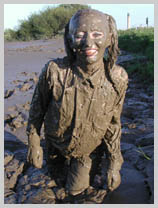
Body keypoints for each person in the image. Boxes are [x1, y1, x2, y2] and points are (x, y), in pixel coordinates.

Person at [27, 9, 128, 196]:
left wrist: (115, 163)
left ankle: (94, 164)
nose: (89, 43)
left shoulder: (117, 78)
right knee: (57, 178)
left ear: (110, 38)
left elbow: (114, 124)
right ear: (70, 39)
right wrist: (34, 143)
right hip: (55, 144)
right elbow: (36, 111)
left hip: (87, 150)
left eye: (97, 34)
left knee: (74, 190)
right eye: (80, 35)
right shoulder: (55, 71)